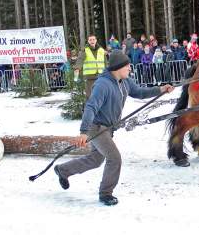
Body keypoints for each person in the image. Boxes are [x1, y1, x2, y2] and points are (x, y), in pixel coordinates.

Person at [54, 50, 174, 206]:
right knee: (114, 158)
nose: (130, 69)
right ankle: (105, 193)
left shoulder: (124, 81)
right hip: (96, 127)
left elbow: (139, 92)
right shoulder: (102, 85)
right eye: (127, 66)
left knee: (96, 159)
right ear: (118, 67)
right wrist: (83, 132)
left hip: (108, 128)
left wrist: (160, 89)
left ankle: (63, 170)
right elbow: (90, 107)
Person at [74, 34, 107, 99]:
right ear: (88, 41)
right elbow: (80, 59)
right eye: (90, 40)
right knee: (90, 96)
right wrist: (77, 68)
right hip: (90, 77)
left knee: (102, 95)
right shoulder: (85, 50)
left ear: (96, 40)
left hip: (101, 76)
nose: (92, 41)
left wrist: (108, 72)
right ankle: (90, 108)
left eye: (93, 39)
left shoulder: (101, 50)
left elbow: (105, 62)